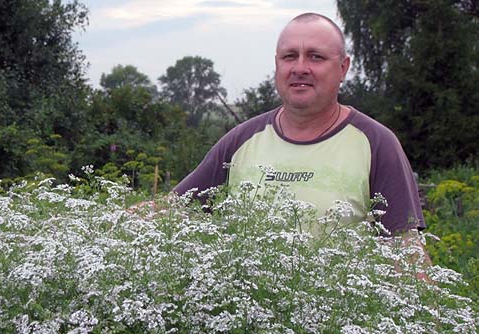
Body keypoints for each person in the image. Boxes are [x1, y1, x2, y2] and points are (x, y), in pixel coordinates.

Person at [173, 12, 425, 236]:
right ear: (277, 64)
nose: (300, 68)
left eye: (316, 57)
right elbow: (172, 210)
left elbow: (405, 250)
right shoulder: (241, 140)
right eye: (289, 56)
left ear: (343, 68)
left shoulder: (376, 143)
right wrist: (133, 220)